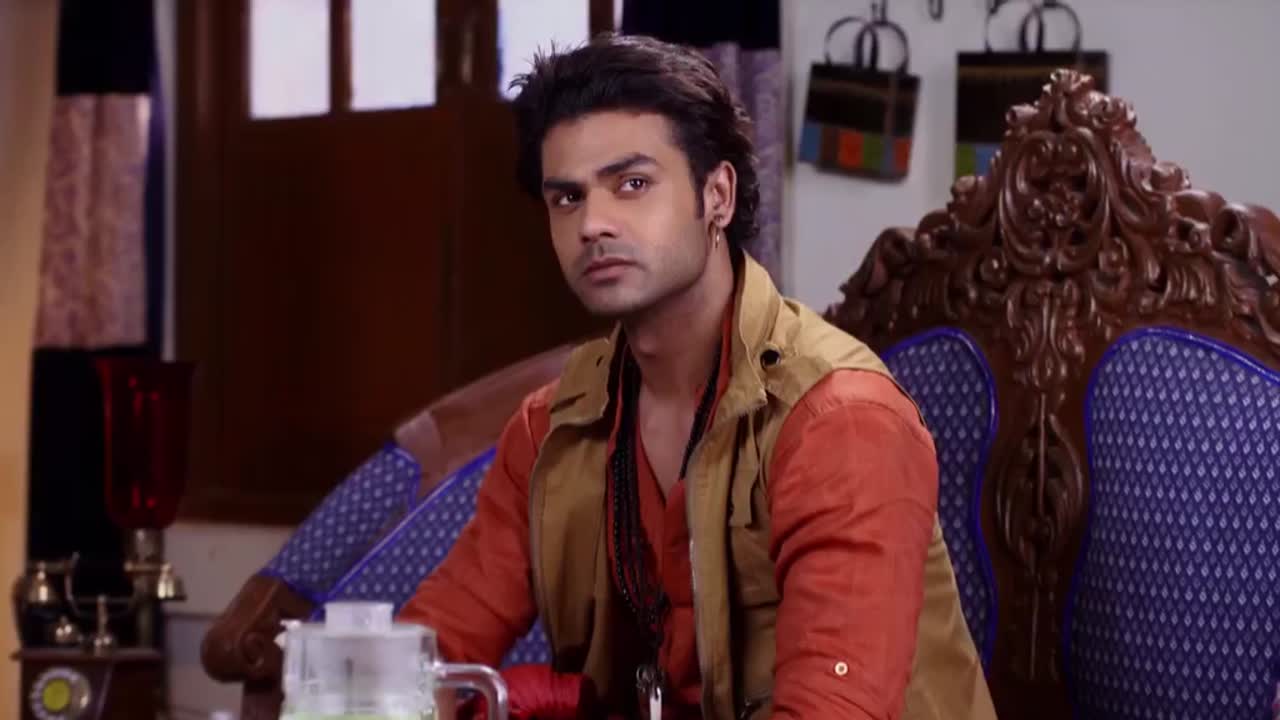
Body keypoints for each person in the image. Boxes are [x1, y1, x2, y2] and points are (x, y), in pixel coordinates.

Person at [398, 33, 996, 720]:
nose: (592, 224)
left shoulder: (840, 419)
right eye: (566, 198)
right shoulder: (550, 430)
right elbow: (428, 655)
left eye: (632, 184)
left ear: (717, 195)